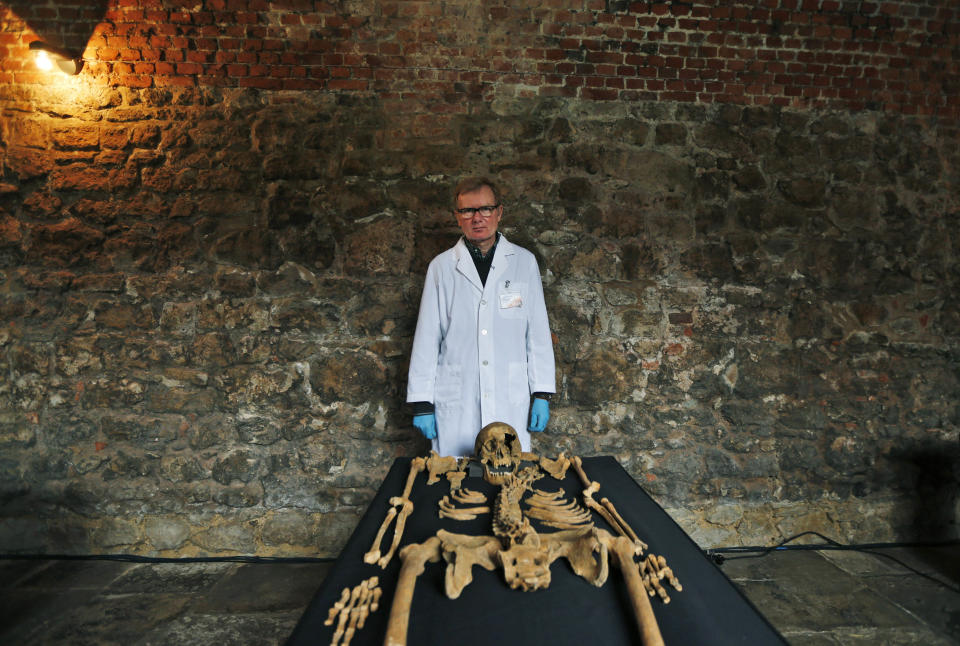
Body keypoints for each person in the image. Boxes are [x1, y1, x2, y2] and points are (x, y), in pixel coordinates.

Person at [406, 177, 556, 457]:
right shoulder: (442, 267)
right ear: (457, 217)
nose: (478, 218)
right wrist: (422, 403)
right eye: (468, 211)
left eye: (485, 209)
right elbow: (427, 337)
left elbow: (536, 331)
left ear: (499, 212)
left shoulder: (523, 262)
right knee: (455, 482)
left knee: (507, 480)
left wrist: (541, 394)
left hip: (509, 400)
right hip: (457, 399)